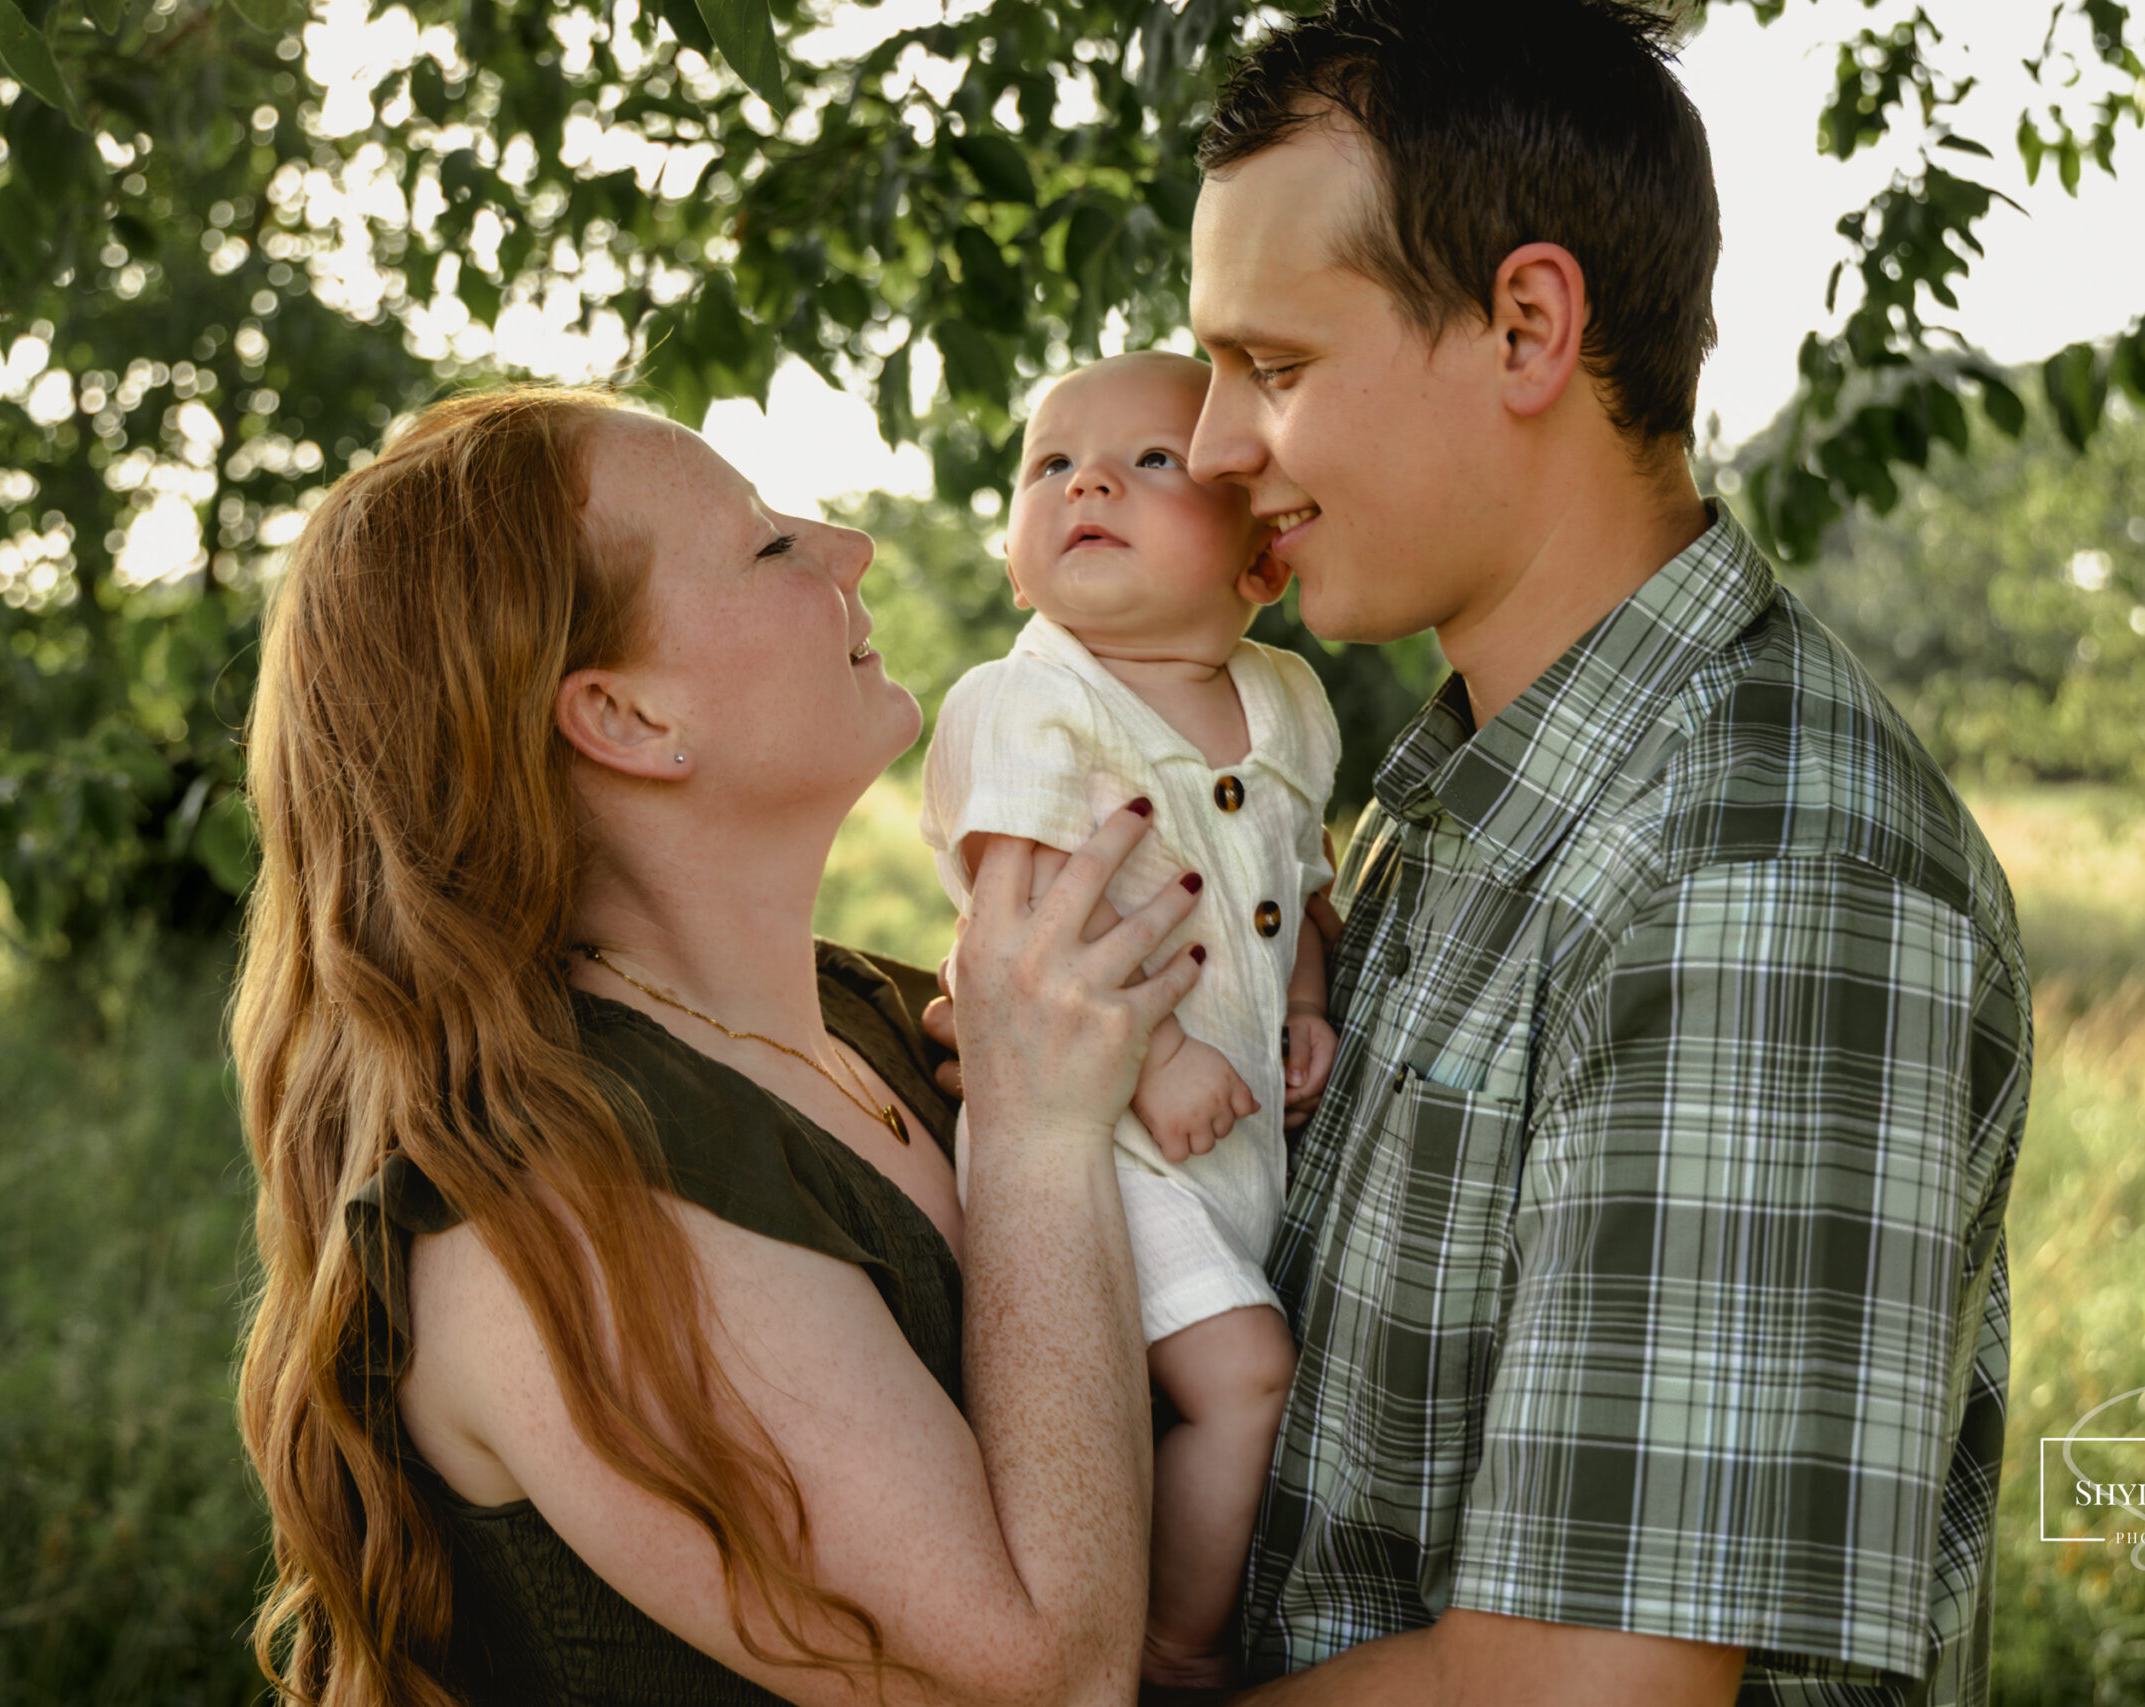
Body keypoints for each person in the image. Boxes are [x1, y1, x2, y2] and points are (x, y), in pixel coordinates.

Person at [1177, 1, 2033, 1701]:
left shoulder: (1766, 881)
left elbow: (1580, 1691)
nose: (1208, 449)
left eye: (1271, 369)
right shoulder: (1470, 796)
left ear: (1526, 328)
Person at [232, 385, 1209, 1706]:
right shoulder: (557, 1205)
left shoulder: (877, 1019)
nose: (849, 548)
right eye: (767, 543)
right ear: (628, 719)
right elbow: (1041, 1684)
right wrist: (1043, 1137)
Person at [917, 352, 1342, 1690]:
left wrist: (1308, 1008)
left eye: (1153, 460)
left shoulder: (1287, 703)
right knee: (1249, 1384)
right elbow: (1020, 933)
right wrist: (1152, 1058)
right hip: (1091, 1139)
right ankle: (1171, 1650)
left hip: (1229, 1149)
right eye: (1051, 466)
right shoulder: (1032, 701)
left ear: (1261, 560)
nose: (1089, 479)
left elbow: (1300, 890)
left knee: (1226, 1382)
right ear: (1016, 557)